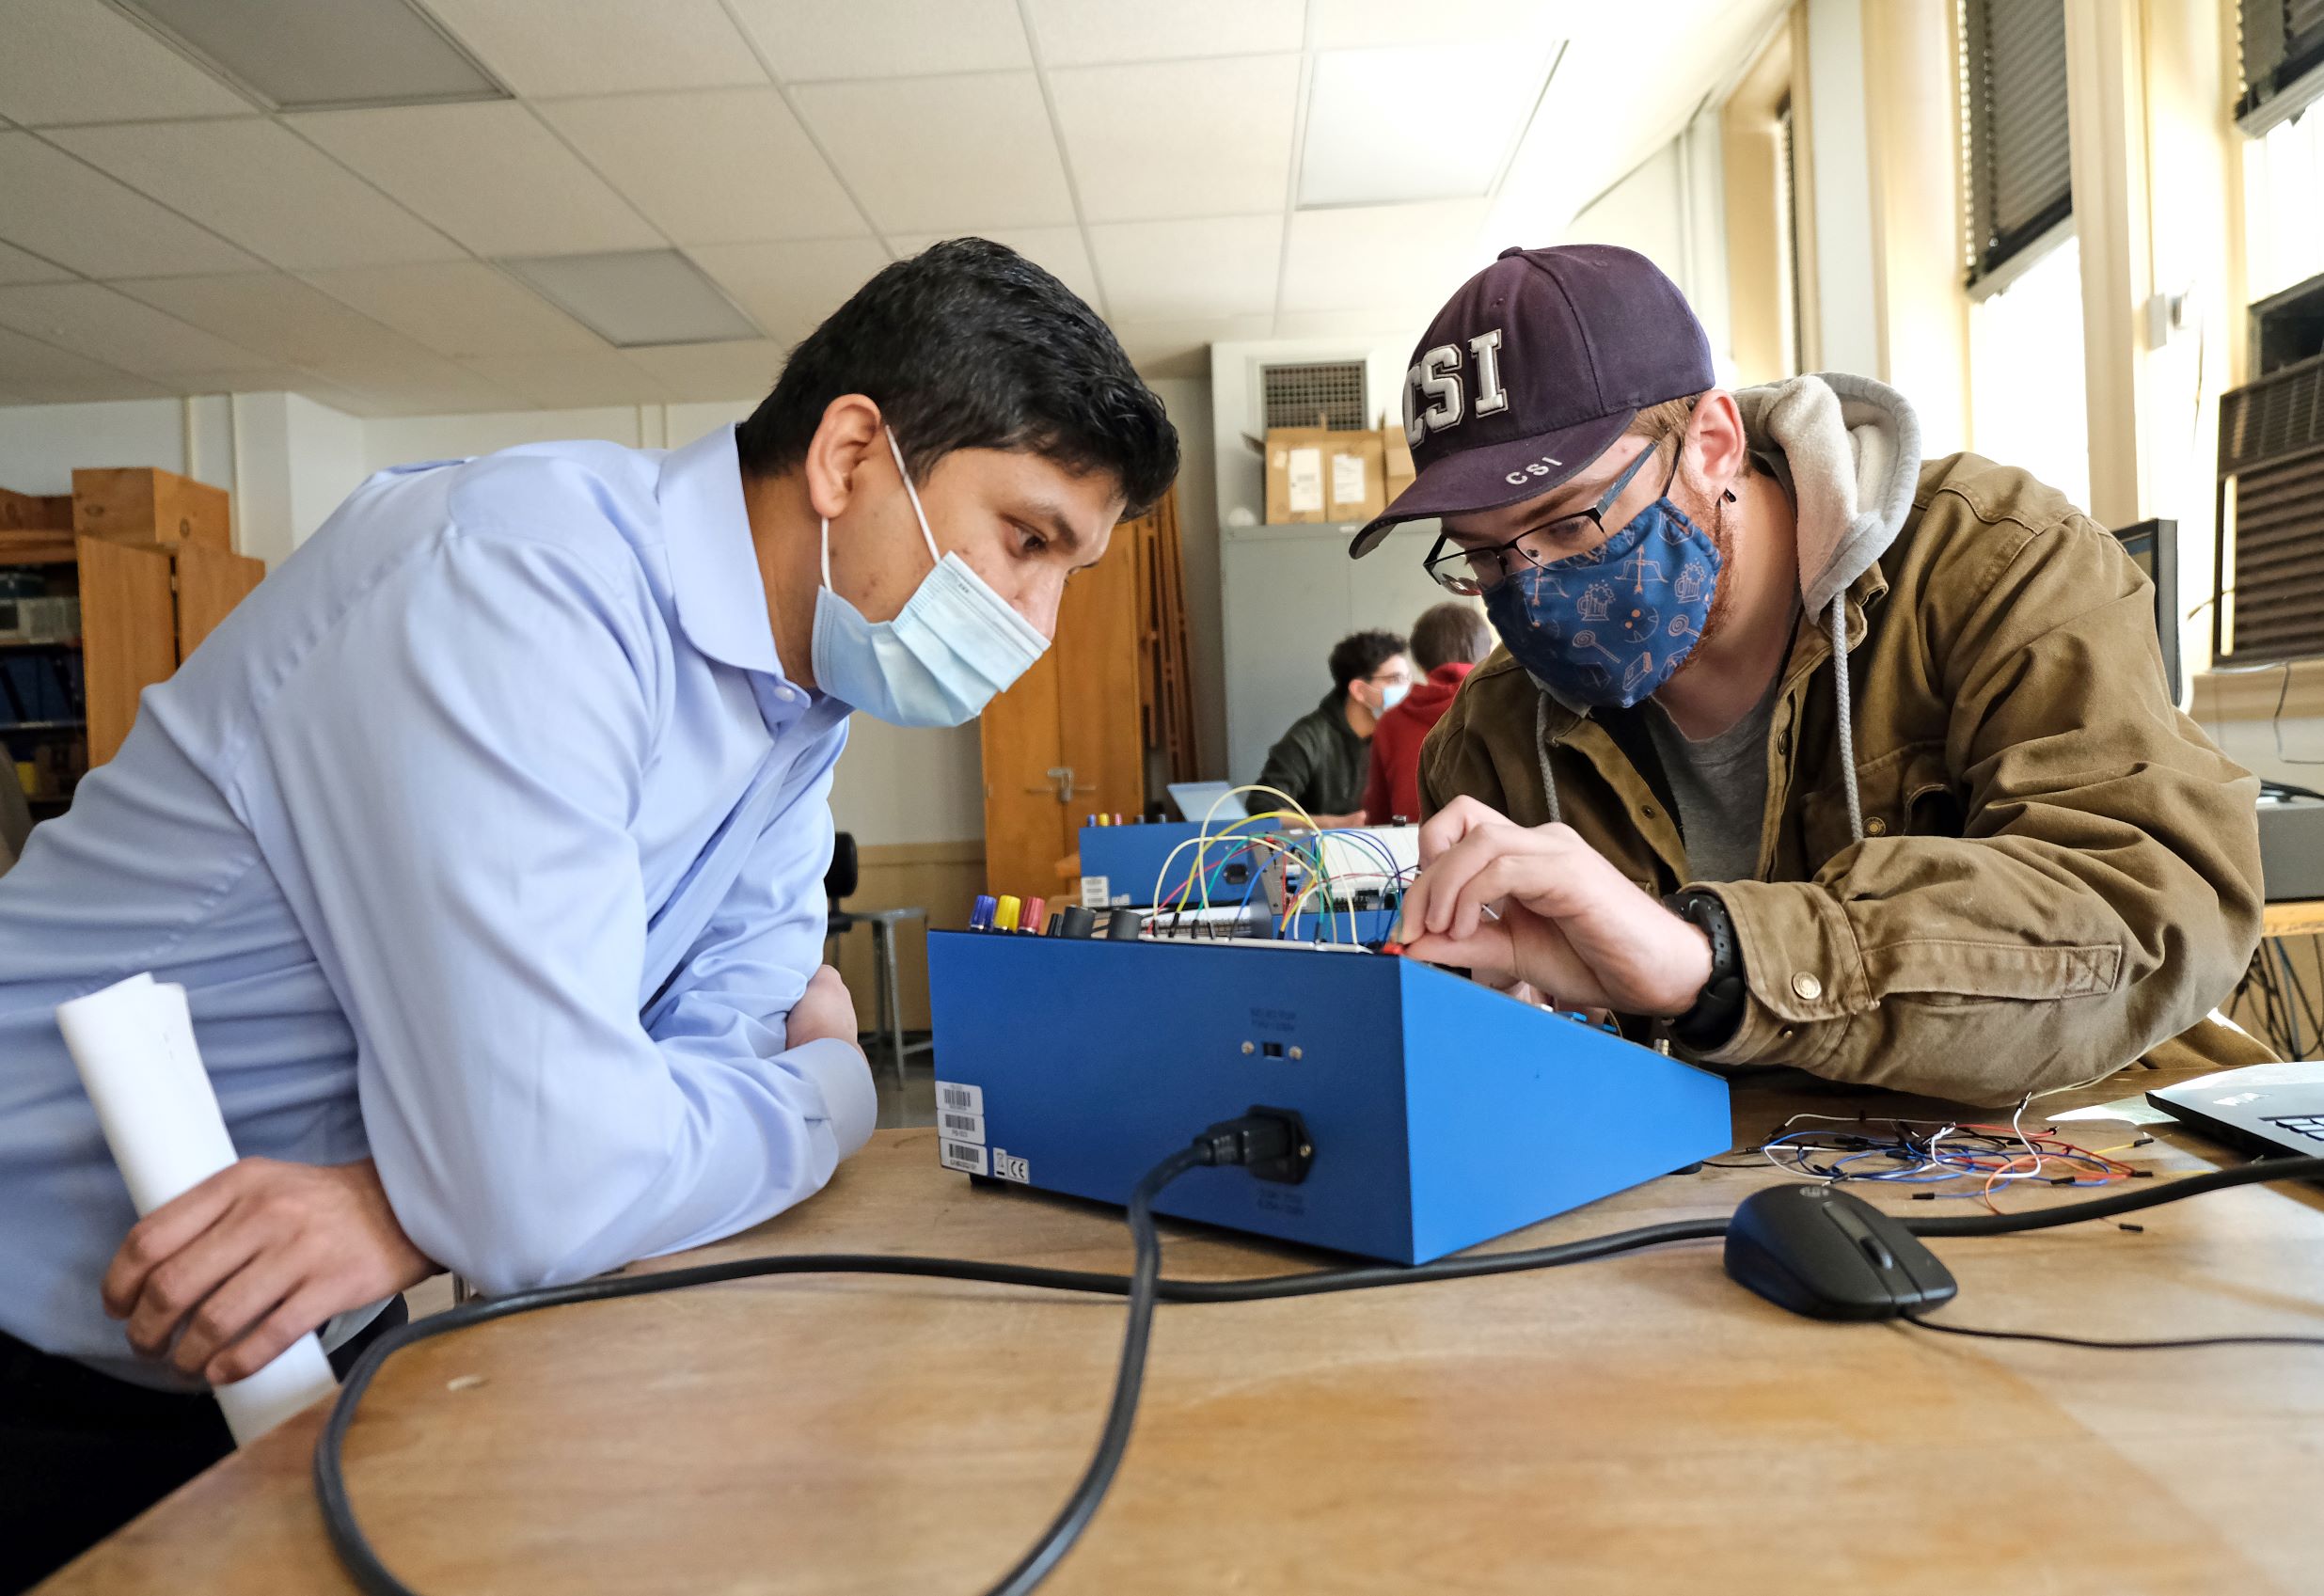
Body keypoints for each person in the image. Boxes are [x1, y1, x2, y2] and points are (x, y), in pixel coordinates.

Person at [0, 238, 1177, 1589]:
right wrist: (838, 1091)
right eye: (1024, 542)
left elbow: (642, 1112)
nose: (1032, 618)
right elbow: (547, 1184)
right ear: (851, 456)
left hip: (315, 1314)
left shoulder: (796, 713)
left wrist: (421, 1204)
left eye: (1064, 572)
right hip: (42, 1341)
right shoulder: (518, 582)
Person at [1357, 244, 2266, 1104]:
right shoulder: (1494, 739)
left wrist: (1707, 959)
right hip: (1719, 1208)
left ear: (1711, 442)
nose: (1534, 590)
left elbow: (2148, 904)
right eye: (1484, 557)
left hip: (2092, 1151)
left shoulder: (1993, 563)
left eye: (1570, 524)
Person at [1257, 630, 1411, 826]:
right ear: (1359, 690)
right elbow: (1262, 810)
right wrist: (1335, 824)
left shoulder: (1402, 735)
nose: (1407, 689)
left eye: (1408, 678)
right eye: (1396, 680)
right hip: (1321, 849)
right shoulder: (1308, 738)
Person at [1360, 602, 1492, 825]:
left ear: (1420, 663)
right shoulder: (1502, 706)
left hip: (1414, 851)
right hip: (1500, 850)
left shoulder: (1391, 723)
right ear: (1488, 653)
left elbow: (1379, 816)